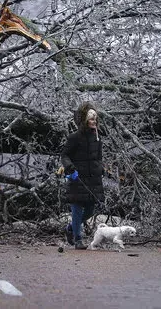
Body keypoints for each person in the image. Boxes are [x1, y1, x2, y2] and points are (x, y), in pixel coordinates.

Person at [61, 102, 104, 249]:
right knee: (77, 209)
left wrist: (101, 169)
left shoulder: (97, 137)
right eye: (92, 119)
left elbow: (99, 157)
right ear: (85, 120)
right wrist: (70, 168)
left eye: (96, 119)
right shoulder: (74, 137)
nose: (94, 122)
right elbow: (64, 155)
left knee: (90, 210)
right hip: (77, 178)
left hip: (93, 179)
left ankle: (71, 228)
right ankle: (77, 239)